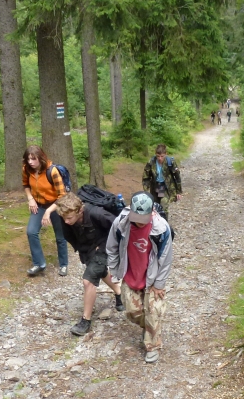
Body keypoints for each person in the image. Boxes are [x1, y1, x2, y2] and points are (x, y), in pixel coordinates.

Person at [106, 192, 172, 363]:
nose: (139, 222)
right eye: (136, 218)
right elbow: (112, 248)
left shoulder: (161, 228)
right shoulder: (121, 223)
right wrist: (114, 270)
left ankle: (152, 346)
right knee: (132, 311)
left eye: (143, 218)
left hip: (152, 278)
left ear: (151, 213)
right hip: (131, 274)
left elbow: (166, 259)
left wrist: (159, 284)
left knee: (153, 311)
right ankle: (148, 327)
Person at [54, 192, 125, 335]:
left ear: (80, 211)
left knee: (88, 281)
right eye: (64, 218)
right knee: (99, 271)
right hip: (87, 248)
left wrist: (109, 248)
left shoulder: (97, 214)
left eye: (69, 218)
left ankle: (85, 321)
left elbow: (120, 228)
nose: (66, 221)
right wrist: (83, 249)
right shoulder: (65, 217)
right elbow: (69, 235)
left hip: (105, 246)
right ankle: (120, 293)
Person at [22, 145, 69, 277]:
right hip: (38, 204)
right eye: (28, 159)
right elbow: (25, 184)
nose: (30, 162)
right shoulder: (27, 169)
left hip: (56, 205)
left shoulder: (52, 171)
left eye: (33, 159)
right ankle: (39, 264)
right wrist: (30, 199)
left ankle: (64, 264)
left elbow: (62, 196)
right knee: (31, 232)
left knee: (60, 236)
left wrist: (48, 212)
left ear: (40, 158)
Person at [142, 144, 182, 214]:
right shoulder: (151, 162)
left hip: (165, 187)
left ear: (166, 154)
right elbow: (146, 177)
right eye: (158, 156)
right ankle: (157, 220)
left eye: (162, 156)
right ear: (155, 154)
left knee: (163, 206)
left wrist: (179, 191)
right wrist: (146, 191)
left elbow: (177, 176)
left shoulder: (170, 162)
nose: (160, 158)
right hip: (156, 186)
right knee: (155, 207)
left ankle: (164, 220)